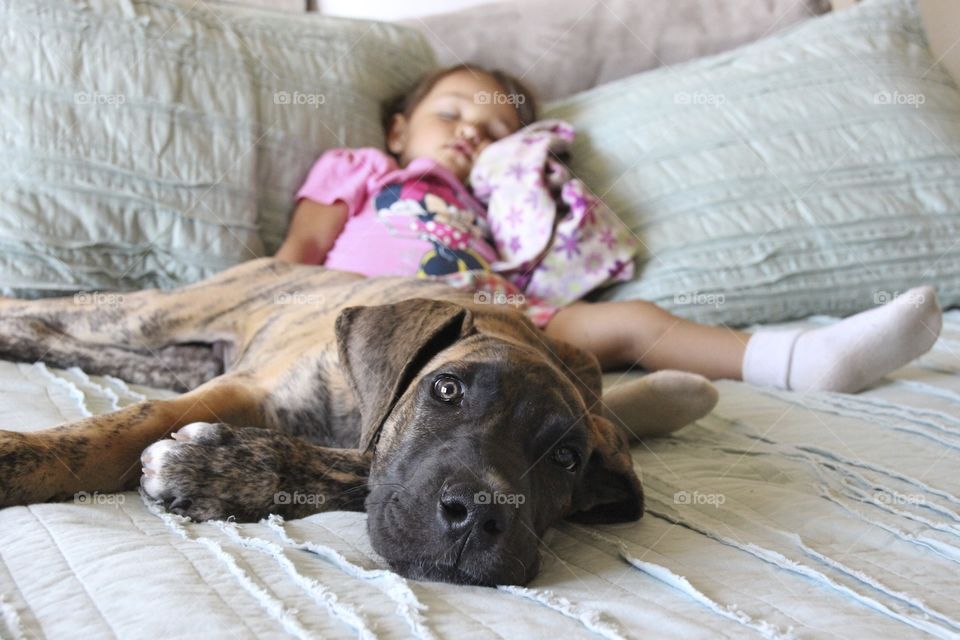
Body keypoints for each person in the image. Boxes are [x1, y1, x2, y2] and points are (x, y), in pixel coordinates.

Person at [276, 64, 942, 398]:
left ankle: (803, 361)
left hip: (489, 315)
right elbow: (297, 253)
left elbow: (541, 275)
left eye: (493, 130)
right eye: (449, 113)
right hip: (363, 310)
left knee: (629, 322)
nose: (469, 131)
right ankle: (614, 419)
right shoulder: (361, 167)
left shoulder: (501, 211)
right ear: (399, 129)